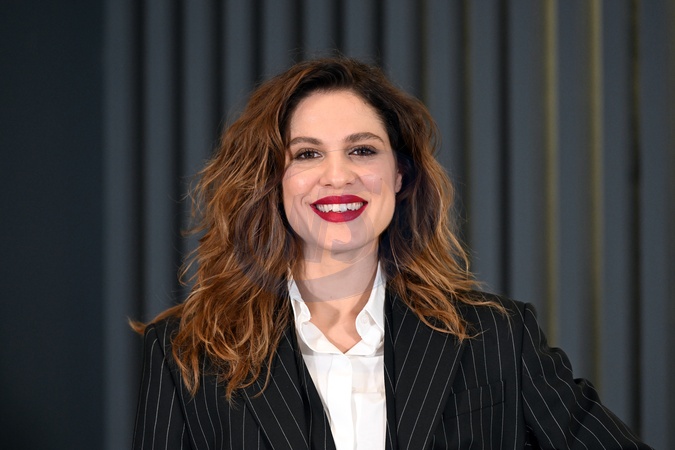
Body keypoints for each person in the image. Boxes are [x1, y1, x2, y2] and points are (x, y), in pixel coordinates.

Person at [132, 57, 650, 449]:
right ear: (274, 180)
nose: (338, 176)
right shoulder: (184, 353)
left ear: (400, 174)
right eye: (307, 154)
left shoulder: (497, 337)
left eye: (362, 150)